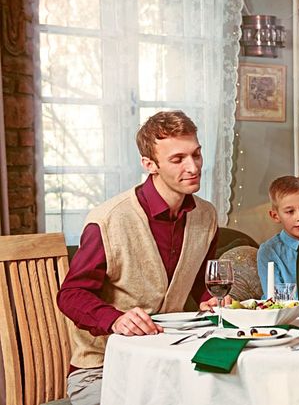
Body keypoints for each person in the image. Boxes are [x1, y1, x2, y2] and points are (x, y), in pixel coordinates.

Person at [57, 110, 223, 405]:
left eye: (196, 154)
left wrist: (206, 297)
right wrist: (116, 320)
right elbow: (71, 294)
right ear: (149, 165)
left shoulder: (206, 215)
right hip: (103, 370)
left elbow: (198, 281)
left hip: (171, 361)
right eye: (178, 159)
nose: (193, 166)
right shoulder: (108, 219)